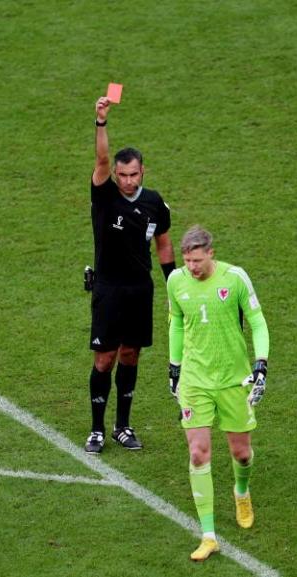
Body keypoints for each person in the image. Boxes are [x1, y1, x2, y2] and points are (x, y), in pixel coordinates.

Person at [166, 226, 270, 561]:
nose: (192, 267)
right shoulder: (176, 282)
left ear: (211, 253)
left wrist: (261, 364)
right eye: (187, 261)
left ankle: (241, 491)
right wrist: (174, 367)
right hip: (195, 381)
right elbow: (177, 323)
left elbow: (257, 321)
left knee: (241, 453)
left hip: (232, 379)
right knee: (198, 453)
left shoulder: (235, 278)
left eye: (197, 260)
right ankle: (208, 535)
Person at [84, 95, 176, 453]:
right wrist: (101, 121)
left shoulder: (154, 202)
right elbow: (102, 158)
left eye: (132, 174)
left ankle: (122, 426)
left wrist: (174, 284)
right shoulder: (104, 195)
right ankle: (96, 429)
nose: (126, 180)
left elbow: (164, 245)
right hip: (108, 288)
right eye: (121, 175)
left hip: (140, 289)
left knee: (131, 355)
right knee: (104, 358)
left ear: (143, 172)